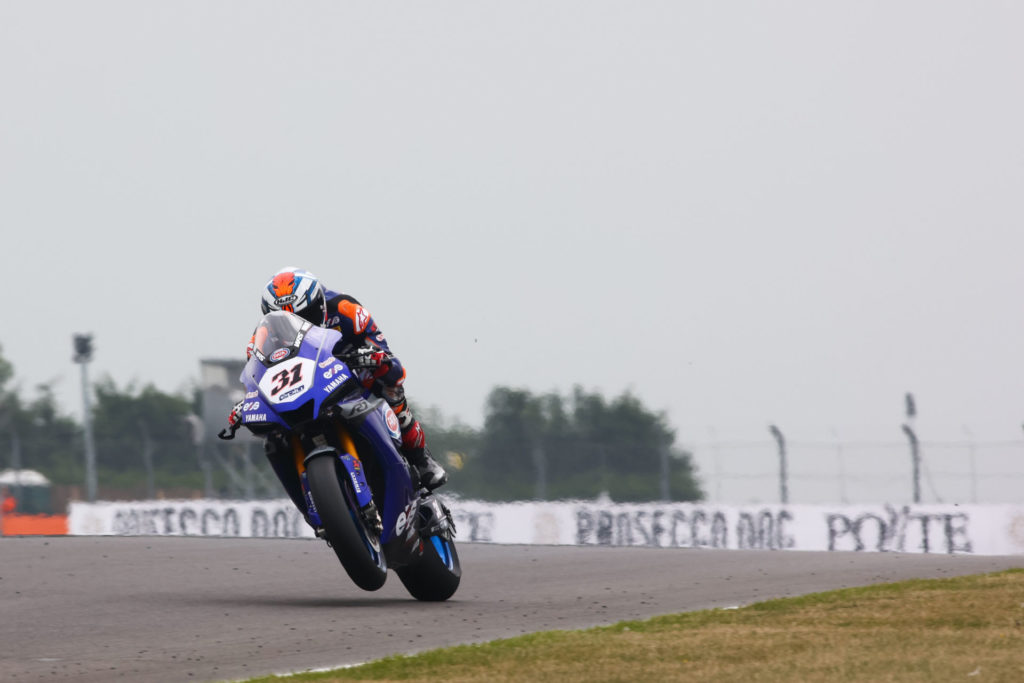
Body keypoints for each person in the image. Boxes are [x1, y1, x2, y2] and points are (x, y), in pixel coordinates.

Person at [228, 267, 447, 513]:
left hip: (349, 369)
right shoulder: (260, 338)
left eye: (306, 315)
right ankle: (311, 502)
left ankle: (420, 457)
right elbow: (256, 376)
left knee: (390, 384)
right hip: (301, 387)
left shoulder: (345, 309)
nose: (298, 323)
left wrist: (374, 355)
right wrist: (248, 402)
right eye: (285, 318)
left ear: (319, 304)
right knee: (274, 435)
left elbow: (382, 349)